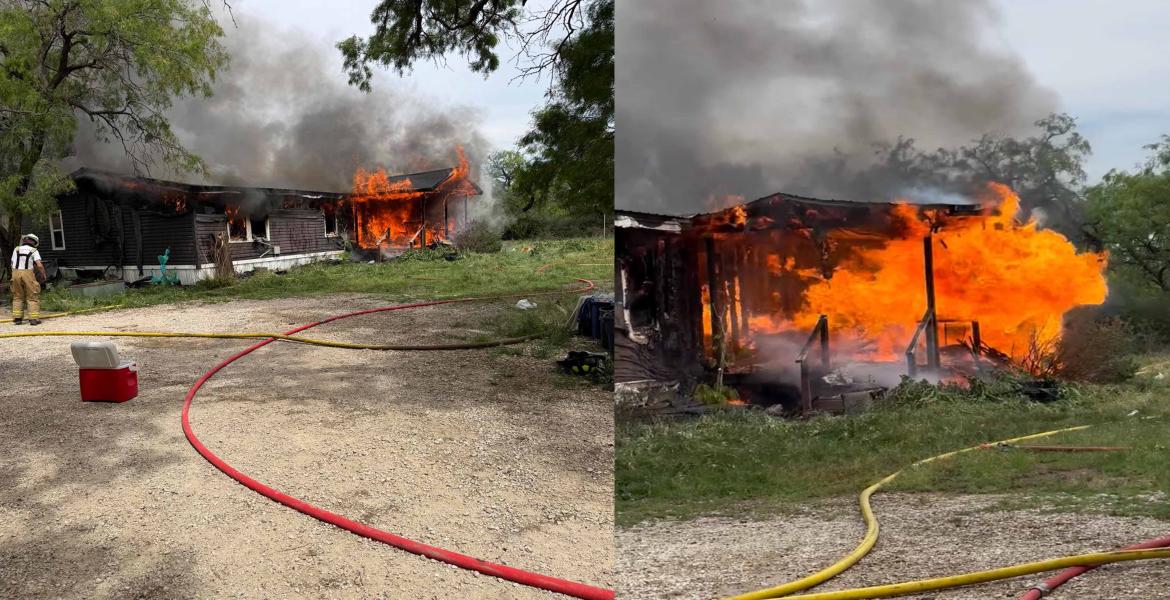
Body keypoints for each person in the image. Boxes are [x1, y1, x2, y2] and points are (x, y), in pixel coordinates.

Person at [10, 233, 47, 326]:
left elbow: (12, 263)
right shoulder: (34, 250)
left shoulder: (16, 249)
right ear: (34, 242)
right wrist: (43, 275)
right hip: (28, 274)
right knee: (32, 296)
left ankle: (17, 319)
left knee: (17, 296)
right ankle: (33, 319)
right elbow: (39, 265)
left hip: (15, 273)